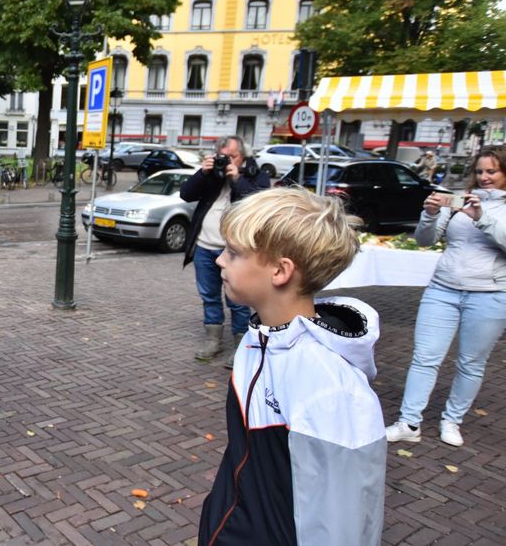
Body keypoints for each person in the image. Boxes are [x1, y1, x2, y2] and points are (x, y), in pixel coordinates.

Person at [197, 187, 386, 545]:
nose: (220, 260)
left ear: (281, 271)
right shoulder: (257, 341)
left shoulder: (332, 390)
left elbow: (341, 528)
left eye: (234, 253)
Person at [385, 145, 506, 448]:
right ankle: (409, 422)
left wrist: (482, 218)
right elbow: (425, 240)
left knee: (471, 363)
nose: (484, 177)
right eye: (479, 171)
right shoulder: (458, 201)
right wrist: (430, 214)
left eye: (491, 171)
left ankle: (452, 419)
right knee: (425, 357)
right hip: (443, 289)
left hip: (489, 295)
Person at [180, 135, 270, 365]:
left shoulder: (256, 175)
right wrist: (202, 172)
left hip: (236, 252)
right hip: (204, 246)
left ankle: (241, 344)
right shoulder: (211, 175)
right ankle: (214, 341)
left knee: (238, 298)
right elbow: (186, 194)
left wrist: (237, 178)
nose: (227, 161)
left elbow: (259, 202)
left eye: (232, 156)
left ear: (244, 156)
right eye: (223, 156)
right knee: (209, 296)